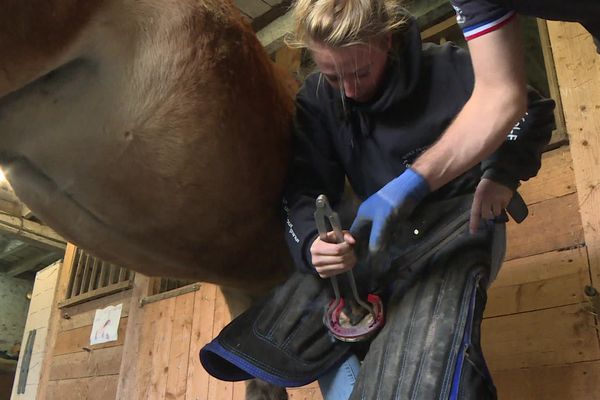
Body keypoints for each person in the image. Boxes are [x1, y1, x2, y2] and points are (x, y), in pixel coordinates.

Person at [281, 0, 555, 398]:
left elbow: (531, 111)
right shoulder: (319, 99)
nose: (351, 91)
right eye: (335, 78)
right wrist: (311, 242)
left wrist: (502, 174)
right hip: (388, 238)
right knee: (312, 330)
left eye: (360, 72)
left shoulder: (446, 67)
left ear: (386, 41)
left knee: (437, 349)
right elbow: (302, 188)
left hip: (462, 219)